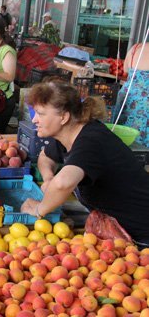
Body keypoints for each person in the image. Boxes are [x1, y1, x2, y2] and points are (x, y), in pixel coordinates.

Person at [20, 80, 149, 248]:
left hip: (141, 234)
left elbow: (63, 184)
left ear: (64, 117)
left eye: (41, 114)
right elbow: (45, 157)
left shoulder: (90, 141)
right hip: (116, 231)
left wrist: (39, 209)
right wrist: (48, 178)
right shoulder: (67, 134)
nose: (34, 119)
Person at [112, 42, 149, 147]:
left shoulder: (135, 47)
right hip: (145, 104)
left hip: (128, 95)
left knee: (122, 133)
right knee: (140, 143)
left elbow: (126, 70)